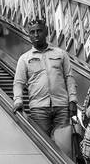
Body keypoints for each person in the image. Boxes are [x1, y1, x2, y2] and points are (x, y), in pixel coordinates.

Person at [12, 18, 77, 155]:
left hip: (62, 107)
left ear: (46, 32)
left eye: (39, 31)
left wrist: (73, 100)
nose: (36, 35)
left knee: (64, 146)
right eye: (32, 32)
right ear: (29, 34)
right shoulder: (25, 58)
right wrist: (18, 100)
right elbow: (19, 82)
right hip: (38, 108)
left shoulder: (60, 54)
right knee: (43, 147)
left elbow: (69, 78)